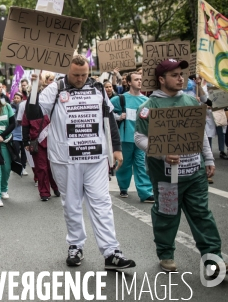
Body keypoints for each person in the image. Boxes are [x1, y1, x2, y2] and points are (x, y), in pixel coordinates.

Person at [39, 55, 136, 270]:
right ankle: (75, 245)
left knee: (102, 203)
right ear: (67, 71)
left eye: (84, 75)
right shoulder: (55, 88)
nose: (81, 79)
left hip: (96, 158)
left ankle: (111, 251)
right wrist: (36, 85)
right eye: (76, 75)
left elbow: (108, 118)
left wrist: (117, 149)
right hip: (65, 159)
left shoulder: (98, 88)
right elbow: (33, 112)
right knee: (72, 204)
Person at [135, 58, 223, 274]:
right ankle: (166, 254)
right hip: (165, 175)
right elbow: (139, 138)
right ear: (161, 79)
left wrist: (209, 159)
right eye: (175, 75)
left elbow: (200, 134)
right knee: (166, 213)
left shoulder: (192, 102)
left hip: (194, 172)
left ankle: (213, 259)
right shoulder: (148, 107)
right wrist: (163, 154)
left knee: (202, 214)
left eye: (181, 74)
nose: (180, 78)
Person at [110, 72, 154, 203]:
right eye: (136, 80)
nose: (140, 82)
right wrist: (118, 117)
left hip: (141, 139)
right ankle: (123, 187)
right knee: (124, 164)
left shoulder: (147, 101)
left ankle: (146, 193)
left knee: (141, 164)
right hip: (125, 138)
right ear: (129, 82)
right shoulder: (120, 99)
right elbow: (107, 111)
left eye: (141, 79)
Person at [22, 91, 59, 201]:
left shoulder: (49, 109)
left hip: (52, 142)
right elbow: (25, 127)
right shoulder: (28, 112)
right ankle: (44, 192)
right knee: (41, 168)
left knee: (53, 167)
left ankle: (56, 187)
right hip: (37, 144)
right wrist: (25, 142)